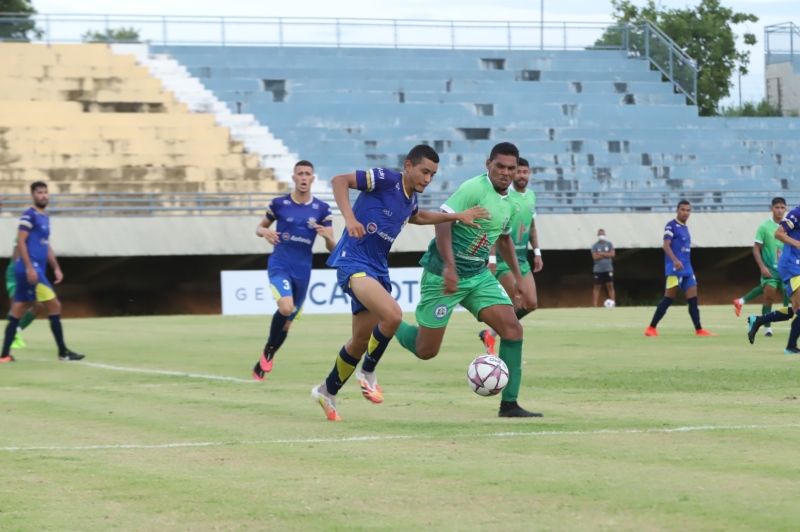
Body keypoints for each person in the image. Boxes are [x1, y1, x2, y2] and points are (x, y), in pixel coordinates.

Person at [310, 145, 488, 421]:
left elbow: (417, 216)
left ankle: (326, 391)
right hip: (353, 261)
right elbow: (339, 181)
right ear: (408, 165)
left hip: (377, 269)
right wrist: (349, 217)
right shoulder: (386, 179)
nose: (428, 179)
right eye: (424, 171)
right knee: (392, 315)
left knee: (359, 340)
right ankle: (367, 371)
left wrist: (455, 216)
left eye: (433, 174)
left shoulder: (409, 199)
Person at [393, 142, 542, 418]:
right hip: (443, 275)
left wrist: (520, 277)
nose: (506, 173)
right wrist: (450, 267)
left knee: (513, 330)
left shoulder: (509, 201)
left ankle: (509, 405)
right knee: (426, 350)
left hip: (477, 276)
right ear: (488, 165)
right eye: (500, 167)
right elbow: (443, 221)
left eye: (511, 168)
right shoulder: (473, 189)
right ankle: (389, 323)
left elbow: (505, 237)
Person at [251, 160, 336, 380]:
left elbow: (332, 248)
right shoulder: (279, 204)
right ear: (294, 178)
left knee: (287, 324)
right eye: (300, 173)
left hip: (303, 270)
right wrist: (265, 233)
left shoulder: (322, 209)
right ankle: (270, 350)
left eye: (308, 173)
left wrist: (328, 238)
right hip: (280, 264)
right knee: (286, 307)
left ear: (313, 179)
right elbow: (260, 227)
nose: (304, 177)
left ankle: (264, 359)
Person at [1, 181, 84, 364]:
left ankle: (4, 355)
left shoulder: (45, 217)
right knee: (54, 306)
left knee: (18, 309)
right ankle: (63, 352)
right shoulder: (29, 216)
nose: (44, 196)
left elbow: (45, 246)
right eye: (40, 193)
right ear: (33, 195)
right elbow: (21, 242)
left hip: (35, 269)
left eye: (46, 192)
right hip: (32, 270)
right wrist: (30, 267)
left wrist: (56, 266)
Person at [478, 157, 543, 356]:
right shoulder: (506, 197)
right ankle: (505, 351)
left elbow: (531, 228)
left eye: (526, 172)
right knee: (515, 303)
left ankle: (490, 333)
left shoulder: (531, 196)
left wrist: (537, 252)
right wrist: (492, 259)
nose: (522, 176)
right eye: (519, 172)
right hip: (505, 261)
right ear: (514, 174)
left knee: (531, 303)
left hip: (522, 259)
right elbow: (496, 229)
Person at [644, 200, 714, 337]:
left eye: (688, 210)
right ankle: (651, 328)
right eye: (683, 210)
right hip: (674, 270)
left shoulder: (685, 228)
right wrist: (675, 260)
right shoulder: (671, 226)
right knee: (669, 298)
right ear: (677, 210)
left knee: (693, 299)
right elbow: (666, 245)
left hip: (687, 269)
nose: (685, 213)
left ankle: (699, 330)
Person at [748, 201, 800, 354]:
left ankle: (758, 320)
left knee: (795, 309)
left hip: (797, 265)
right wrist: (797, 243)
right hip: (792, 265)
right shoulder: (796, 214)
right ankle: (790, 347)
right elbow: (778, 233)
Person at [733, 197, 788, 337]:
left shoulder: (790, 226)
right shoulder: (764, 227)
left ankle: (748, 309)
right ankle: (767, 328)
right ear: (772, 209)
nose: (780, 210)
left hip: (787, 270)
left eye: (782, 207)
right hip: (770, 270)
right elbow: (756, 249)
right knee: (769, 296)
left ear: (786, 209)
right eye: (777, 207)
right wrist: (762, 267)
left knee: (791, 304)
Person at [5, 240, 37, 349]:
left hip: (32, 273)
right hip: (16, 274)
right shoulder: (23, 232)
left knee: (39, 306)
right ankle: (12, 339)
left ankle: (16, 329)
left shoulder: (39, 236)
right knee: (16, 306)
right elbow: (16, 256)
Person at [591, 228, 616, 307]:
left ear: (605, 235)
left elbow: (612, 254)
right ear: (597, 235)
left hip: (608, 268)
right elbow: (595, 257)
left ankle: (613, 304)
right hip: (598, 270)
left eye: (602, 234)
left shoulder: (609, 244)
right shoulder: (594, 245)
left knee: (610, 286)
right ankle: (595, 305)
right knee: (597, 287)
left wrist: (601, 253)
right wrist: (606, 254)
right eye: (600, 234)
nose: (601, 236)